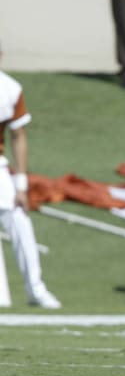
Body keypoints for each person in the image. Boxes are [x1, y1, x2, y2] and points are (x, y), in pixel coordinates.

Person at [0, 43, 61, 309]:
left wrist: (21, 184)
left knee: (19, 219)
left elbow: (18, 135)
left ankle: (35, 289)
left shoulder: (9, 88)